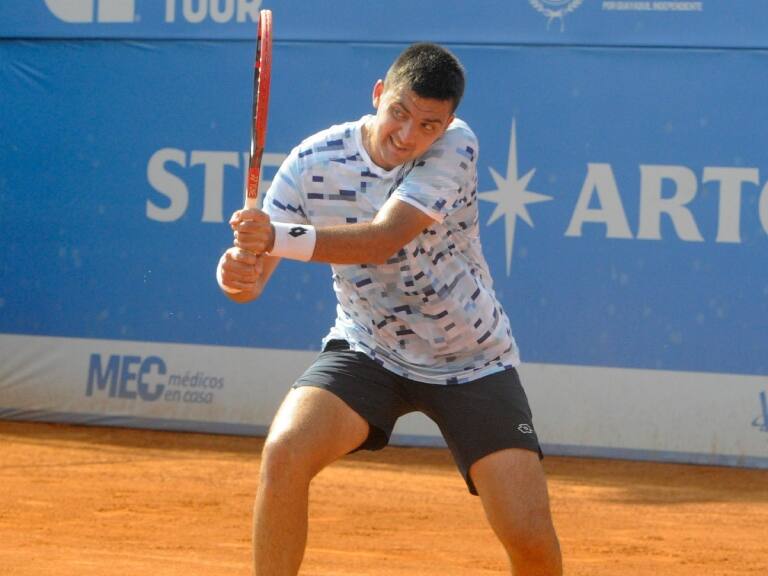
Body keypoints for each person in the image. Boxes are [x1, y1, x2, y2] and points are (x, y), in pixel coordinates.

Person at [216, 43, 563, 576]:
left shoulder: (456, 145)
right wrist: (236, 273)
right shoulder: (311, 162)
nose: (407, 135)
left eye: (428, 125)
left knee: (530, 539)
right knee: (285, 452)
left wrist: (276, 237)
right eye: (399, 112)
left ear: (446, 125)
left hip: (471, 360)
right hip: (368, 350)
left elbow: (384, 239)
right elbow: (250, 283)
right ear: (378, 94)